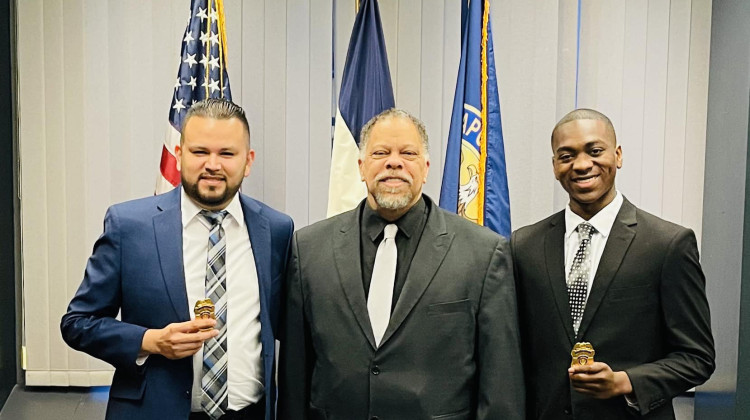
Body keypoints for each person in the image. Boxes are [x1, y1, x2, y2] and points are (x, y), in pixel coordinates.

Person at [278, 108, 524, 420]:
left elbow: (501, 386)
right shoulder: (309, 249)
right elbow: (295, 375)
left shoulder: (484, 253)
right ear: (361, 167)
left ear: (426, 168)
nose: (394, 162)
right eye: (381, 152)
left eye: (408, 153)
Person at [61, 99, 293, 420]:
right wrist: (150, 341)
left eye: (227, 153)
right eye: (200, 152)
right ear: (180, 155)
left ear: (248, 161)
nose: (213, 164)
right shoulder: (129, 226)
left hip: (250, 412)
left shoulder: (277, 229)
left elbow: (288, 325)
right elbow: (78, 324)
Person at [512, 108, 715, 419]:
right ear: (554, 166)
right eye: (566, 156)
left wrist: (625, 381)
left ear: (617, 155)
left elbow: (697, 358)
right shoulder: (523, 245)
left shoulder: (668, 244)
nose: (581, 165)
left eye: (595, 151)